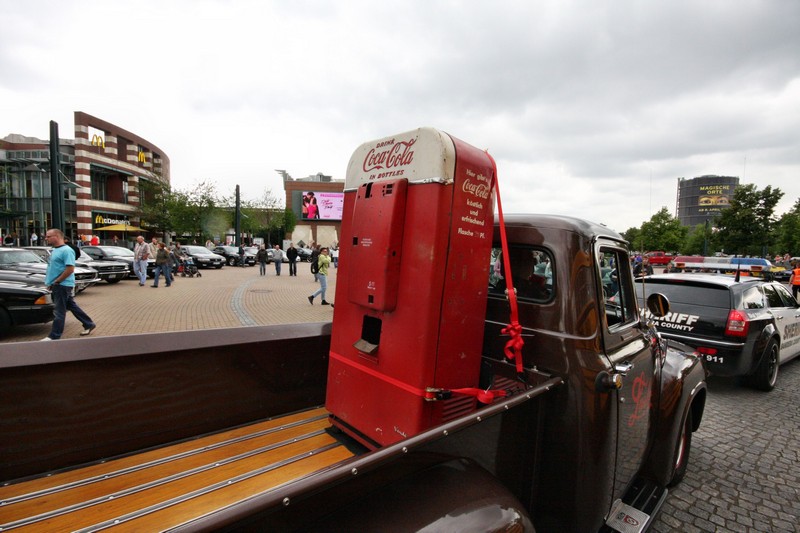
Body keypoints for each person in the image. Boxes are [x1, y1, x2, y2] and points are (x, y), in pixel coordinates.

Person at [41, 228, 96, 340]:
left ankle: (54, 336)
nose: (46, 238)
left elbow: (70, 269)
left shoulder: (67, 250)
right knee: (71, 305)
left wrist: (57, 281)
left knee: (59, 311)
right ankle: (88, 324)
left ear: (57, 236)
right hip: (58, 284)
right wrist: (51, 282)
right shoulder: (55, 250)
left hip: (62, 285)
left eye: (48, 236)